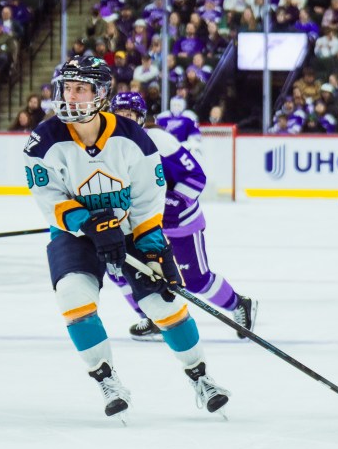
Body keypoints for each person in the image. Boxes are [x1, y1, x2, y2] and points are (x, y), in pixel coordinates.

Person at [23, 55, 230, 418]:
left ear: (101, 94)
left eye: (81, 89)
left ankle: (201, 376)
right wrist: (90, 224)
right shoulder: (43, 140)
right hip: (75, 233)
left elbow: (148, 198)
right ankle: (106, 378)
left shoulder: (133, 137)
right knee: (73, 298)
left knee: (164, 305)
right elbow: (49, 198)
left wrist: (151, 248)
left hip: (131, 229)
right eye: (67, 88)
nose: (71, 97)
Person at [107, 91, 256, 342]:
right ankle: (153, 317)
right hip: (140, 225)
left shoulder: (160, 141)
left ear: (141, 117)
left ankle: (239, 304)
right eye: (119, 116)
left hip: (178, 222)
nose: (124, 121)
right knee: (120, 271)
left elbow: (196, 177)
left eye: (129, 115)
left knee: (195, 281)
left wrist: (168, 203)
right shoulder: (108, 145)